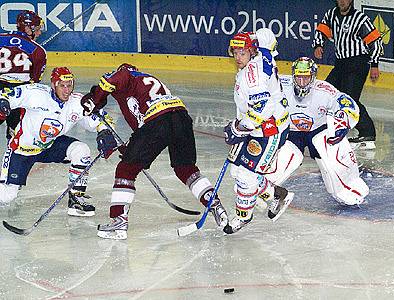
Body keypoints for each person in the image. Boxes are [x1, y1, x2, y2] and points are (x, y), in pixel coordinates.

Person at [80, 63, 228, 240]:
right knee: (185, 168)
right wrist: (132, 149)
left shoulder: (127, 75)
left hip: (159, 120)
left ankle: (118, 222)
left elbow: (111, 80)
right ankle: (215, 205)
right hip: (180, 116)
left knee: (126, 170)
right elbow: (144, 128)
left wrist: (94, 99)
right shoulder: (143, 84)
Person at [0, 67, 117, 217]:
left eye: (70, 85)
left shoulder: (77, 103)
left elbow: (102, 119)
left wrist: (105, 131)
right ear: (54, 85)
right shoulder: (36, 93)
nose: (67, 90)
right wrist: (3, 102)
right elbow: (7, 94)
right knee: (6, 196)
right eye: (62, 85)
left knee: (81, 150)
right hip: (22, 149)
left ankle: (76, 199)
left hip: (50, 146)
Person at [264, 57, 369, 206]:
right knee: (279, 164)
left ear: (313, 76)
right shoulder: (281, 85)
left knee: (332, 166)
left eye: (306, 77)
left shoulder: (325, 90)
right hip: (291, 132)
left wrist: (343, 123)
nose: (301, 82)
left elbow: (347, 104)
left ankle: (349, 188)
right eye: (298, 77)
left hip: (318, 132)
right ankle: (263, 190)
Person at [221, 28, 294, 235]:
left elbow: (261, 109)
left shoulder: (253, 77)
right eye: (235, 52)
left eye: (242, 52)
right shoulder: (264, 53)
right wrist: (250, 38)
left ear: (251, 51)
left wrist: (239, 128)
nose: (237, 57)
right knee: (238, 171)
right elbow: (267, 34)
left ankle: (244, 216)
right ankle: (275, 195)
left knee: (245, 174)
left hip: (269, 129)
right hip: (260, 126)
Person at [312, 0, 383, 150]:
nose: (342, 1)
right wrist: (319, 45)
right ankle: (323, 129)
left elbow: (376, 41)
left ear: (351, 0)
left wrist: (374, 64)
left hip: (358, 63)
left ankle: (368, 133)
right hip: (341, 63)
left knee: (350, 99)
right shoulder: (331, 15)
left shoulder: (360, 18)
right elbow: (321, 30)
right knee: (327, 92)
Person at [0, 10, 47, 139]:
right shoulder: (38, 51)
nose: (39, 32)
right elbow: (34, 82)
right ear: (27, 28)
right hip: (20, 93)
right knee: (17, 134)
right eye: (37, 29)